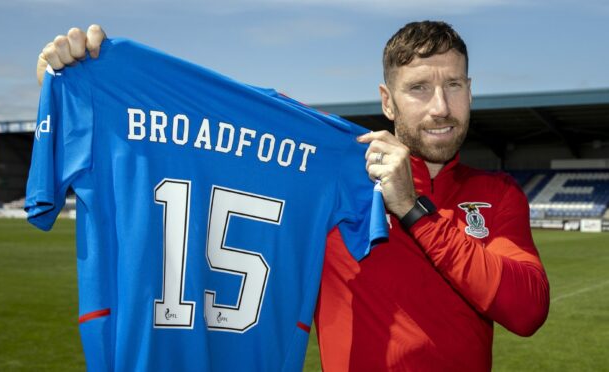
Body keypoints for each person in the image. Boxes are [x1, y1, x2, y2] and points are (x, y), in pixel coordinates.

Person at [37, 21, 550, 371]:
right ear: (387, 102)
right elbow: (207, 131)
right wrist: (76, 86)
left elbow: (526, 310)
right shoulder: (336, 172)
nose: (441, 106)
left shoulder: (497, 194)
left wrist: (413, 209)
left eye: (454, 85)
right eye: (420, 88)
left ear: (470, 90)